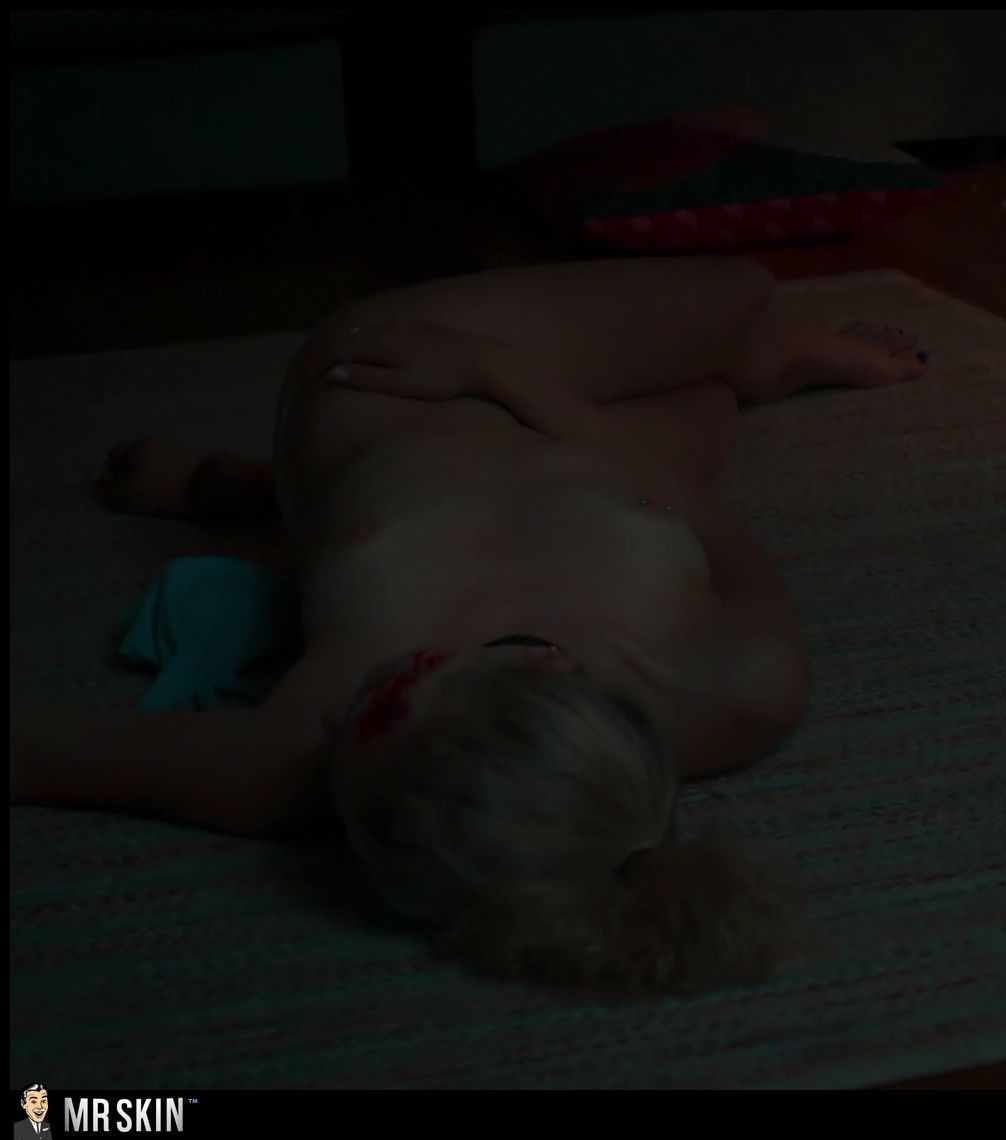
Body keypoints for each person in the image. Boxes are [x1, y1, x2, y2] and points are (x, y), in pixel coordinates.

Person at [8, 256, 928, 992]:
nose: (357, 698)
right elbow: (711, 523)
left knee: (710, 365)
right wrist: (498, 371)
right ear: (549, 667)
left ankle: (253, 488)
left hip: (392, 394)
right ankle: (770, 356)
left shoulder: (284, 761)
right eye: (400, 690)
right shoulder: (745, 689)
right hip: (539, 422)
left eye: (350, 728)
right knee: (736, 313)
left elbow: (35, 749)